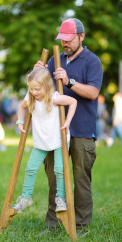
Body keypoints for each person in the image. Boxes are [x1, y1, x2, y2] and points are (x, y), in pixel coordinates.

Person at [34, 18, 103, 234]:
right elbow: (42, 91)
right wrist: (39, 74)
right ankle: (53, 225)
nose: (65, 44)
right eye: (62, 40)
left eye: (69, 39)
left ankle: (81, 226)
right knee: (55, 180)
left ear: (81, 37)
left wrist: (69, 81)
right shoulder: (56, 59)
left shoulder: (93, 61)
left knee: (81, 181)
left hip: (82, 130)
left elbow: (93, 93)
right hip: (55, 131)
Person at [11, 68, 77, 214]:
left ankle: (61, 199)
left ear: (46, 85)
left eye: (37, 89)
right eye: (31, 89)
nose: (34, 92)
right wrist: (20, 121)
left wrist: (67, 122)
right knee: (30, 168)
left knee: (59, 170)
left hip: (58, 140)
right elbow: (21, 107)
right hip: (40, 141)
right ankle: (26, 198)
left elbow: (73, 102)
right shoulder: (30, 98)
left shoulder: (54, 98)